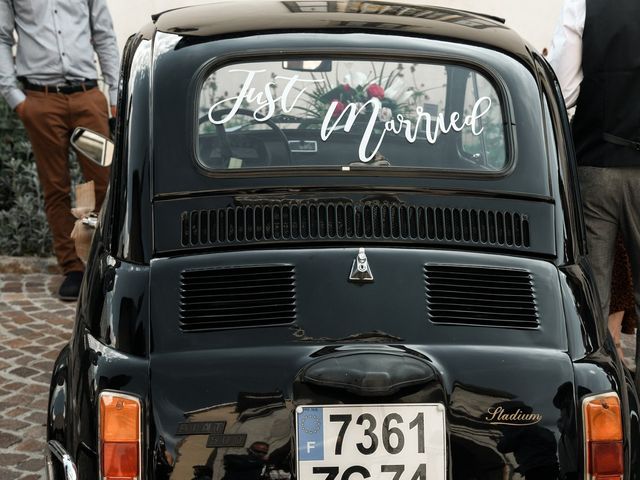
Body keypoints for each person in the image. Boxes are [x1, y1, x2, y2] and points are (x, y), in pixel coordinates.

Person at [0, 0, 119, 300]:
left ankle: (99, 258)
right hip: (41, 101)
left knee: (103, 180)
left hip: (86, 97)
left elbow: (103, 33)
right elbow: (2, 37)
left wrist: (116, 91)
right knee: (56, 187)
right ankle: (73, 269)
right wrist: (16, 98)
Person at [548, 0, 640, 370]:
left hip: (596, 162)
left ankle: (604, 403)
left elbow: (562, 90)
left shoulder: (583, 5)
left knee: (592, 298)